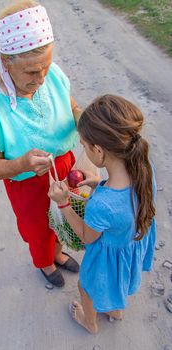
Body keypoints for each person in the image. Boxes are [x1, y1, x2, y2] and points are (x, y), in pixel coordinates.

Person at [0, 0, 82, 288]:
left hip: (64, 167)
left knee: (65, 215)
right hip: (28, 182)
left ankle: (57, 253)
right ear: (6, 61)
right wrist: (22, 163)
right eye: (32, 72)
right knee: (38, 229)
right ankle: (45, 263)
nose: (42, 78)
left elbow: (73, 108)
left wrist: (89, 122)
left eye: (45, 66)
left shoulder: (51, 75)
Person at [48, 95, 156, 333]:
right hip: (128, 246)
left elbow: (87, 237)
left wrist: (64, 203)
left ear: (97, 150)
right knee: (119, 281)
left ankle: (90, 322)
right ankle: (115, 310)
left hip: (106, 257)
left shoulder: (102, 205)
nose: (83, 149)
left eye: (84, 145)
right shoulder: (144, 169)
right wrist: (99, 183)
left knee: (86, 287)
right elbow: (125, 203)